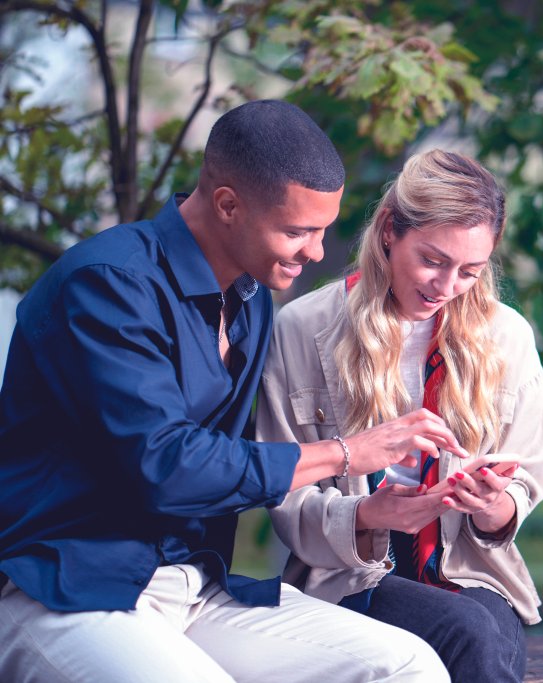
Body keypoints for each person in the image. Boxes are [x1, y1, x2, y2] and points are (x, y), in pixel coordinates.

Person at [0, 100, 454, 682]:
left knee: (407, 666)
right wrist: (345, 452)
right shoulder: (108, 284)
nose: (315, 252)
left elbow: (245, 459)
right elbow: (167, 465)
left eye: (322, 231)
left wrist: (368, 507)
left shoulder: (251, 299)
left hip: (193, 586)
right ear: (227, 205)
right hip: (66, 586)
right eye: (297, 231)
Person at [256, 149, 543, 682]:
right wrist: (370, 515)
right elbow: (283, 495)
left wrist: (492, 507)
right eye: (434, 261)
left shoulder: (507, 337)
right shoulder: (301, 329)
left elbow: (525, 482)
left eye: (470, 271)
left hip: (468, 570)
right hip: (349, 575)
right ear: (390, 231)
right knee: (470, 636)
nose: (447, 287)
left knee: (480, 628)